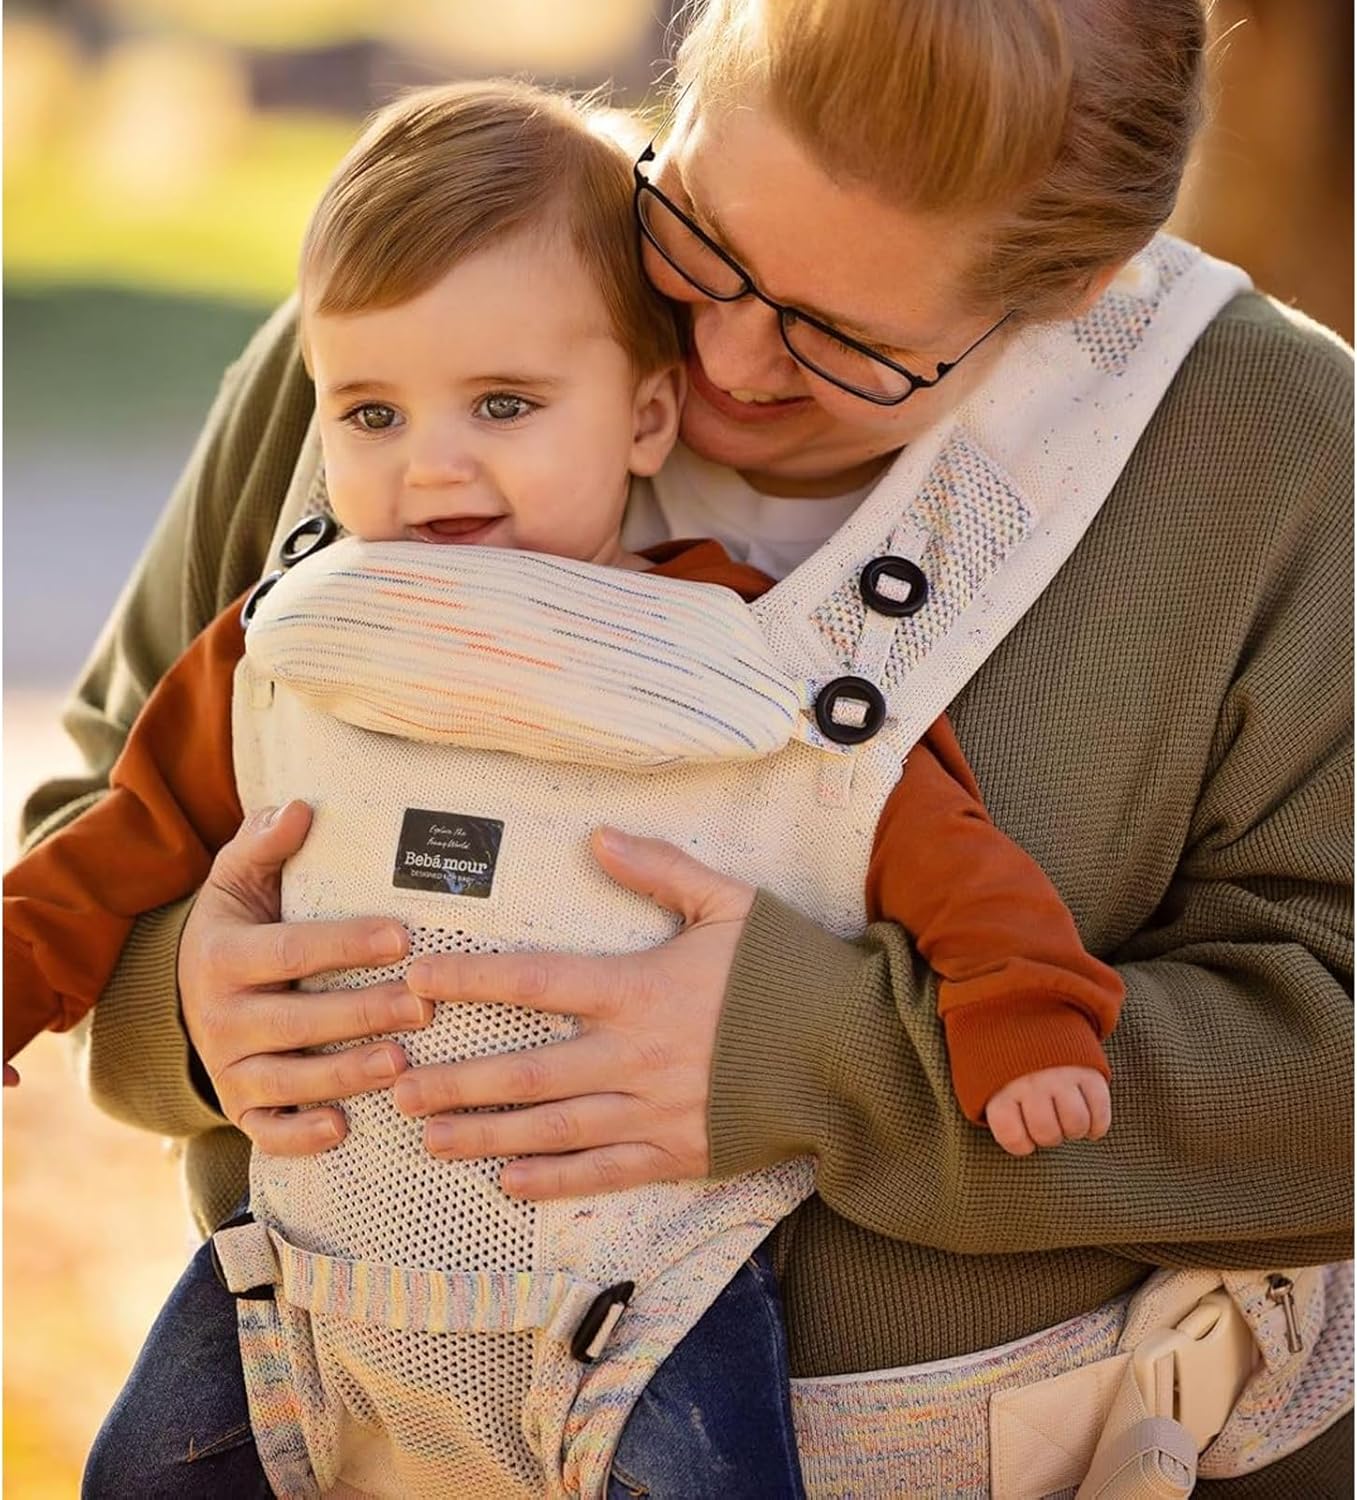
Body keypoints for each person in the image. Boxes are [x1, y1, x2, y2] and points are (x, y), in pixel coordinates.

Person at [18, 0, 1352, 1494]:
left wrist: (819, 1054)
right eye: (700, 235)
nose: (719, 358)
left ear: (1076, 290)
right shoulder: (431, 303)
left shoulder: (1283, 459)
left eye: (847, 340)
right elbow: (98, 810)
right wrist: (185, 1004)